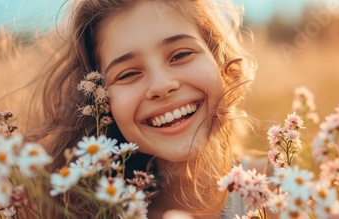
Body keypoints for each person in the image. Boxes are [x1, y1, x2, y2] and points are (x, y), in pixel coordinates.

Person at [22, 0, 256, 218]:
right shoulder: (88, 209)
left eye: (181, 55)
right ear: (99, 102)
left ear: (218, 59)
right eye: (129, 74)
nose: (161, 86)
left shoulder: (281, 192)